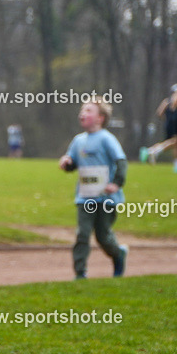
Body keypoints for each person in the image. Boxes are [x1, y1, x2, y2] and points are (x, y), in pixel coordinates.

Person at [58, 99, 128, 280]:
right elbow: (72, 163)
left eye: (89, 110)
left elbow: (121, 161)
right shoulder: (78, 140)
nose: (83, 113)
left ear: (100, 118)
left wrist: (116, 183)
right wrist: (66, 163)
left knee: (103, 236)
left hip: (106, 198)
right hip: (85, 198)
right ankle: (80, 273)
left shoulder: (106, 138)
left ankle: (118, 254)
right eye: (82, 110)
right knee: (82, 234)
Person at [145, 84, 177, 170]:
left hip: (169, 124)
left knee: (174, 144)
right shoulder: (173, 100)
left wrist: (166, 119)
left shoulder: (166, 101)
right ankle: (154, 151)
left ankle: (151, 150)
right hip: (174, 124)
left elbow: (159, 113)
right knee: (174, 142)